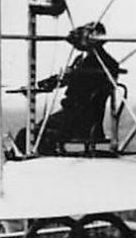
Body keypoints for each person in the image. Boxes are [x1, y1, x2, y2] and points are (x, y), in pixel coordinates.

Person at [23, 22, 124, 155]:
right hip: (70, 113)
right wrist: (41, 85)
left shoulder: (104, 62)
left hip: (82, 117)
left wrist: (69, 76)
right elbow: (67, 77)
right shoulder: (82, 59)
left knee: (31, 135)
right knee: (31, 132)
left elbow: (76, 78)